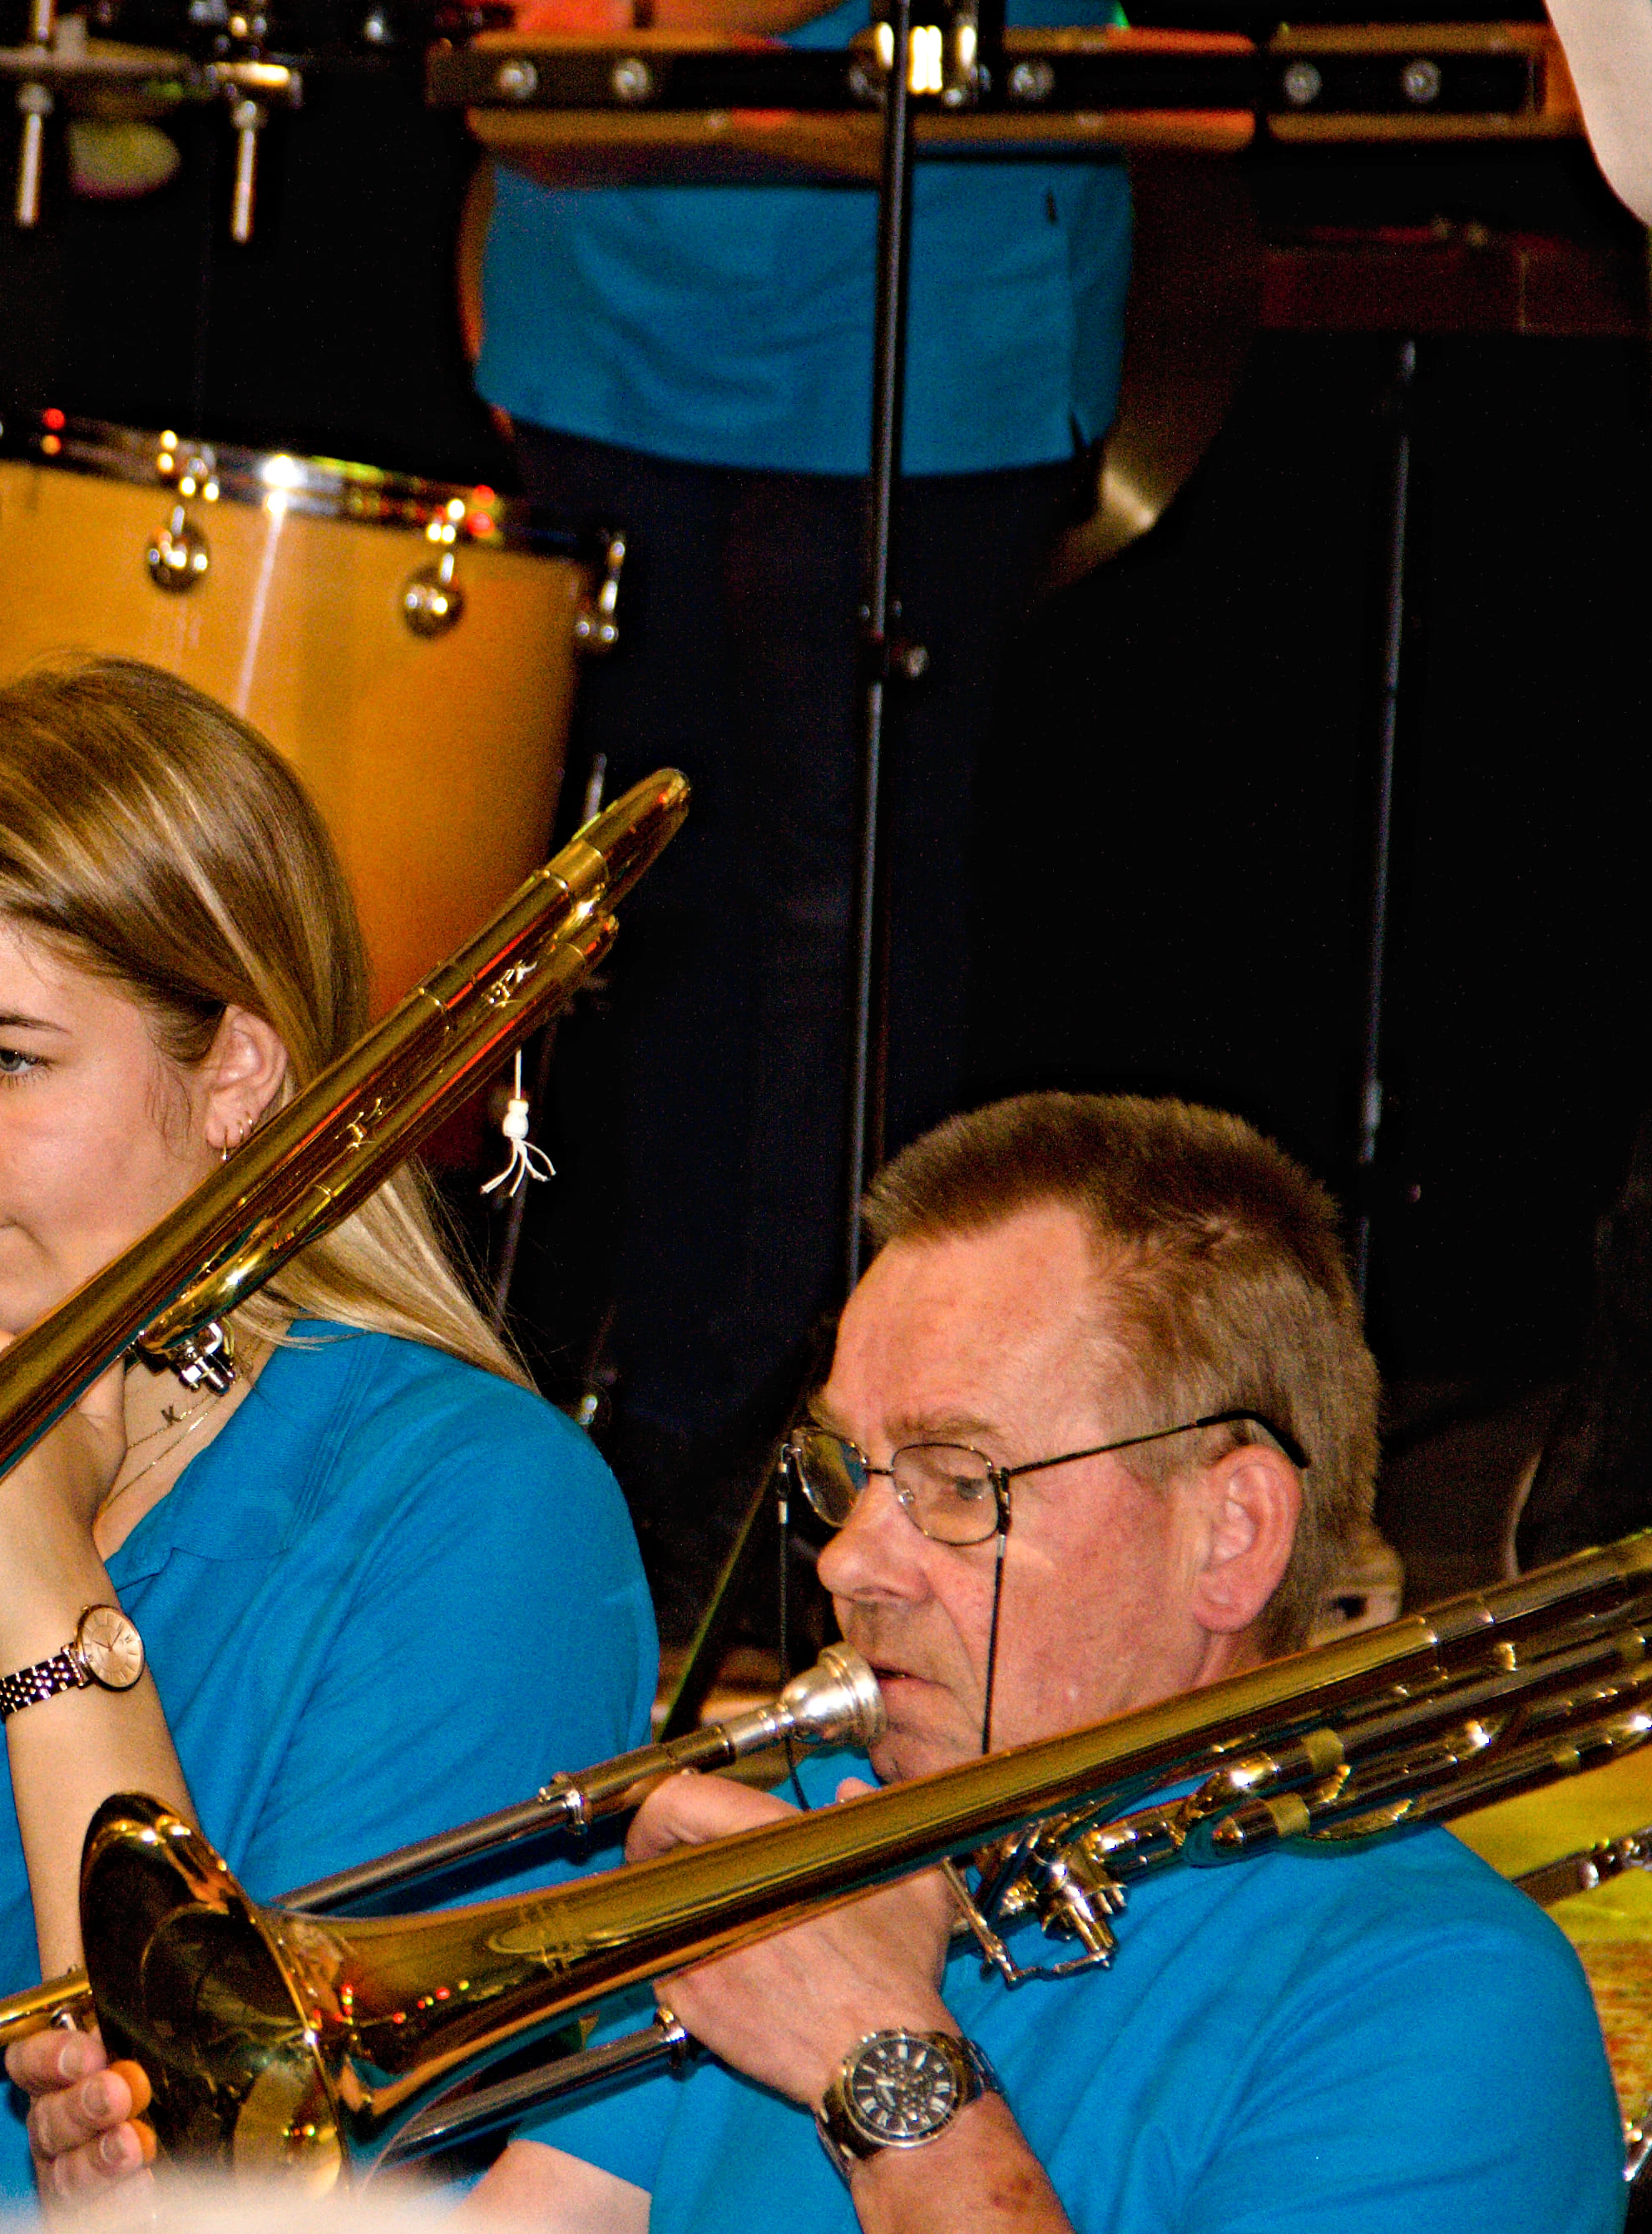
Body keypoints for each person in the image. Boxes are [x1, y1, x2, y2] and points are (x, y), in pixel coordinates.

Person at [23, 1093, 1625, 2231]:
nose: (850, 1557)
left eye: (956, 1480)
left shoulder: (1438, 2000)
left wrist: (886, 2067)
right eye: (849, 1474)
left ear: (1231, 1532)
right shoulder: (809, 1838)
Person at [0, 656, 656, 2229]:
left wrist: (50, 1612)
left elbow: (219, 2192)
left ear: (235, 1073)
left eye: (6, 1057)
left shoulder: (478, 1514)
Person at [481, 0, 1129, 1603]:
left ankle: (803, 1454)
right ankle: (652, 1433)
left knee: (842, 911)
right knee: (649, 900)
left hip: (922, 285)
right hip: (604, 282)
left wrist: (661, 18)